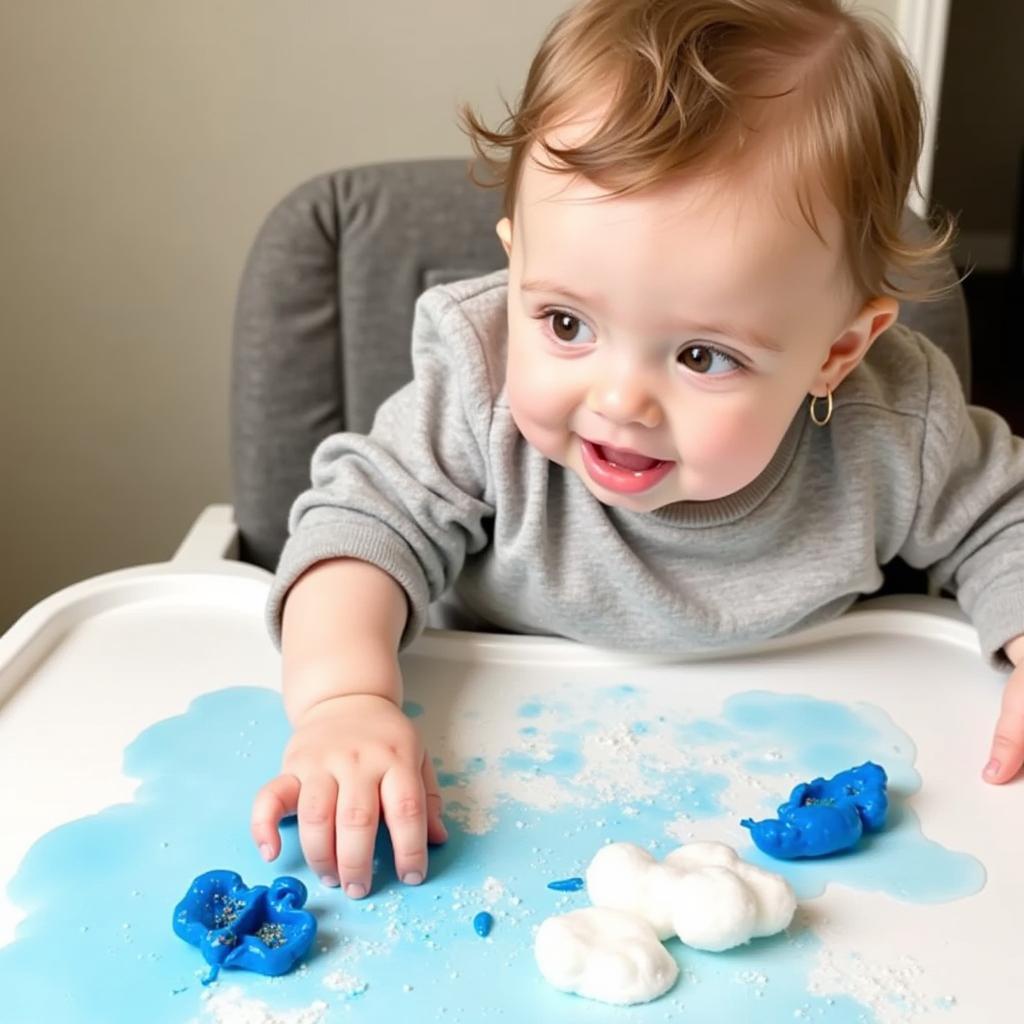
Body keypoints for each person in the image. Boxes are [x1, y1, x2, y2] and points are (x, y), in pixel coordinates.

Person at [250, 0, 1024, 900]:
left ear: (836, 353)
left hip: (796, 783)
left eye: (702, 355)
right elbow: (358, 530)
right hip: (505, 799)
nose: (617, 401)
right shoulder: (481, 391)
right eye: (566, 321)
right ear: (516, 266)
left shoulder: (896, 426)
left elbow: (1004, 518)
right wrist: (346, 697)